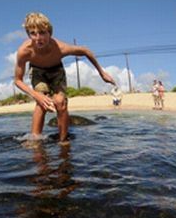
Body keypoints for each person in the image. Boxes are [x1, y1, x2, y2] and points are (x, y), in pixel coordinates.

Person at [14, 12, 115, 143]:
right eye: (33, 33)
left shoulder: (60, 48)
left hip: (57, 70)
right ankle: (34, 141)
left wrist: (102, 73)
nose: (38, 38)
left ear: (49, 32)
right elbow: (17, 80)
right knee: (42, 102)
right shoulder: (24, 51)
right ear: (28, 35)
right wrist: (36, 95)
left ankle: (63, 141)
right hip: (38, 71)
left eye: (42, 32)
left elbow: (85, 51)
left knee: (60, 102)